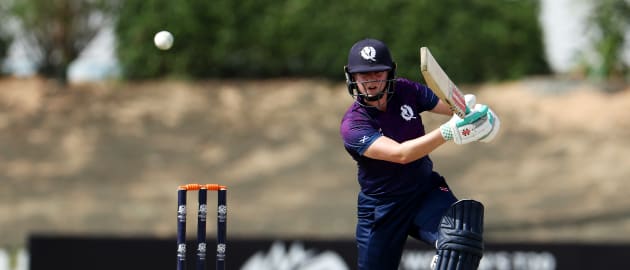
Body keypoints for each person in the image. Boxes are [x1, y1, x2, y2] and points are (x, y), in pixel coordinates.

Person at [339, 38, 500, 270]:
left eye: (377, 73)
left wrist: (475, 115)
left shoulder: (407, 90)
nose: (371, 80)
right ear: (352, 77)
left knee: (460, 239)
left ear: (389, 72)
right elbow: (401, 154)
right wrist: (448, 132)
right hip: (383, 208)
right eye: (363, 75)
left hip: (423, 190)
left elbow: (454, 109)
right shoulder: (353, 125)